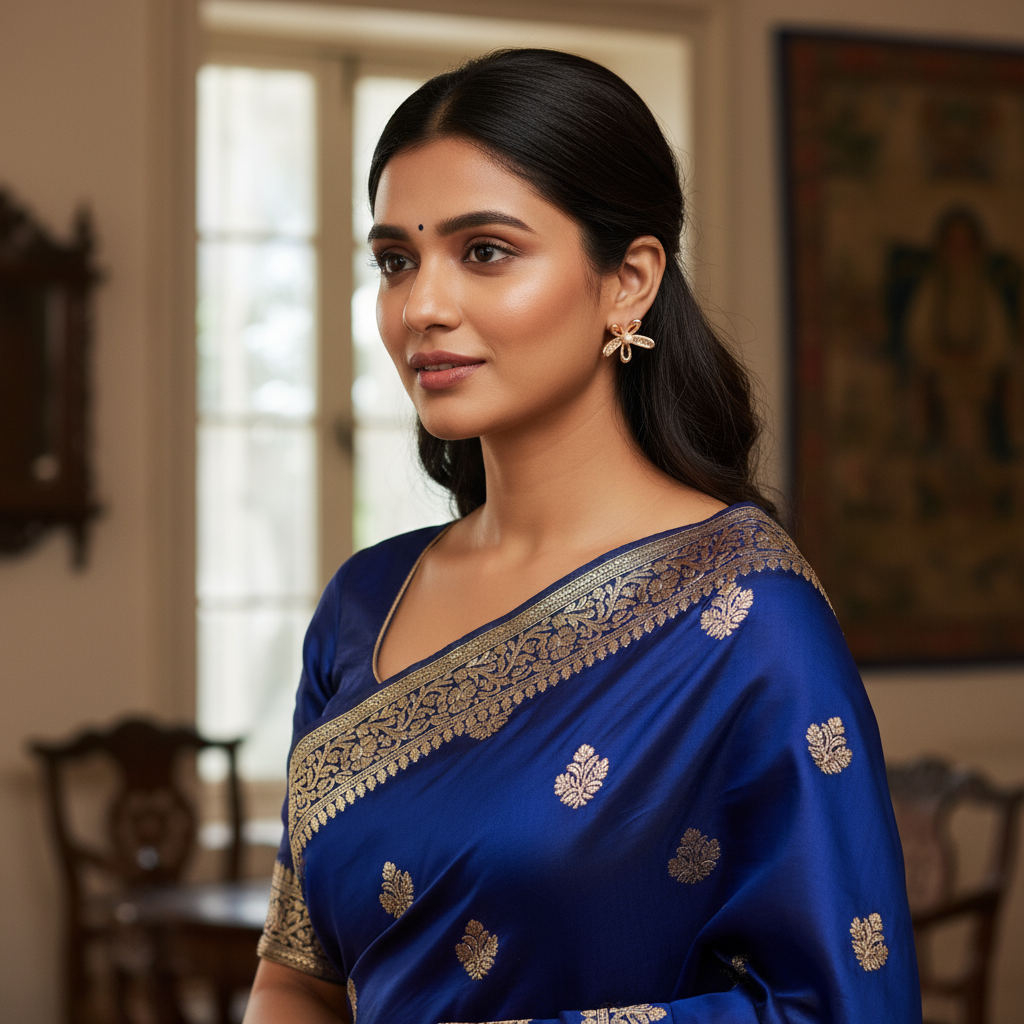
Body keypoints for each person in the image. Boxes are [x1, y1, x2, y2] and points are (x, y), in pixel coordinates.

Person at [244, 49, 920, 1024]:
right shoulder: (363, 602)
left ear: (628, 281)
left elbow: (846, 1006)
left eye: (485, 251)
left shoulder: (749, 617)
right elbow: (296, 979)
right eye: (396, 261)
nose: (421, 306)